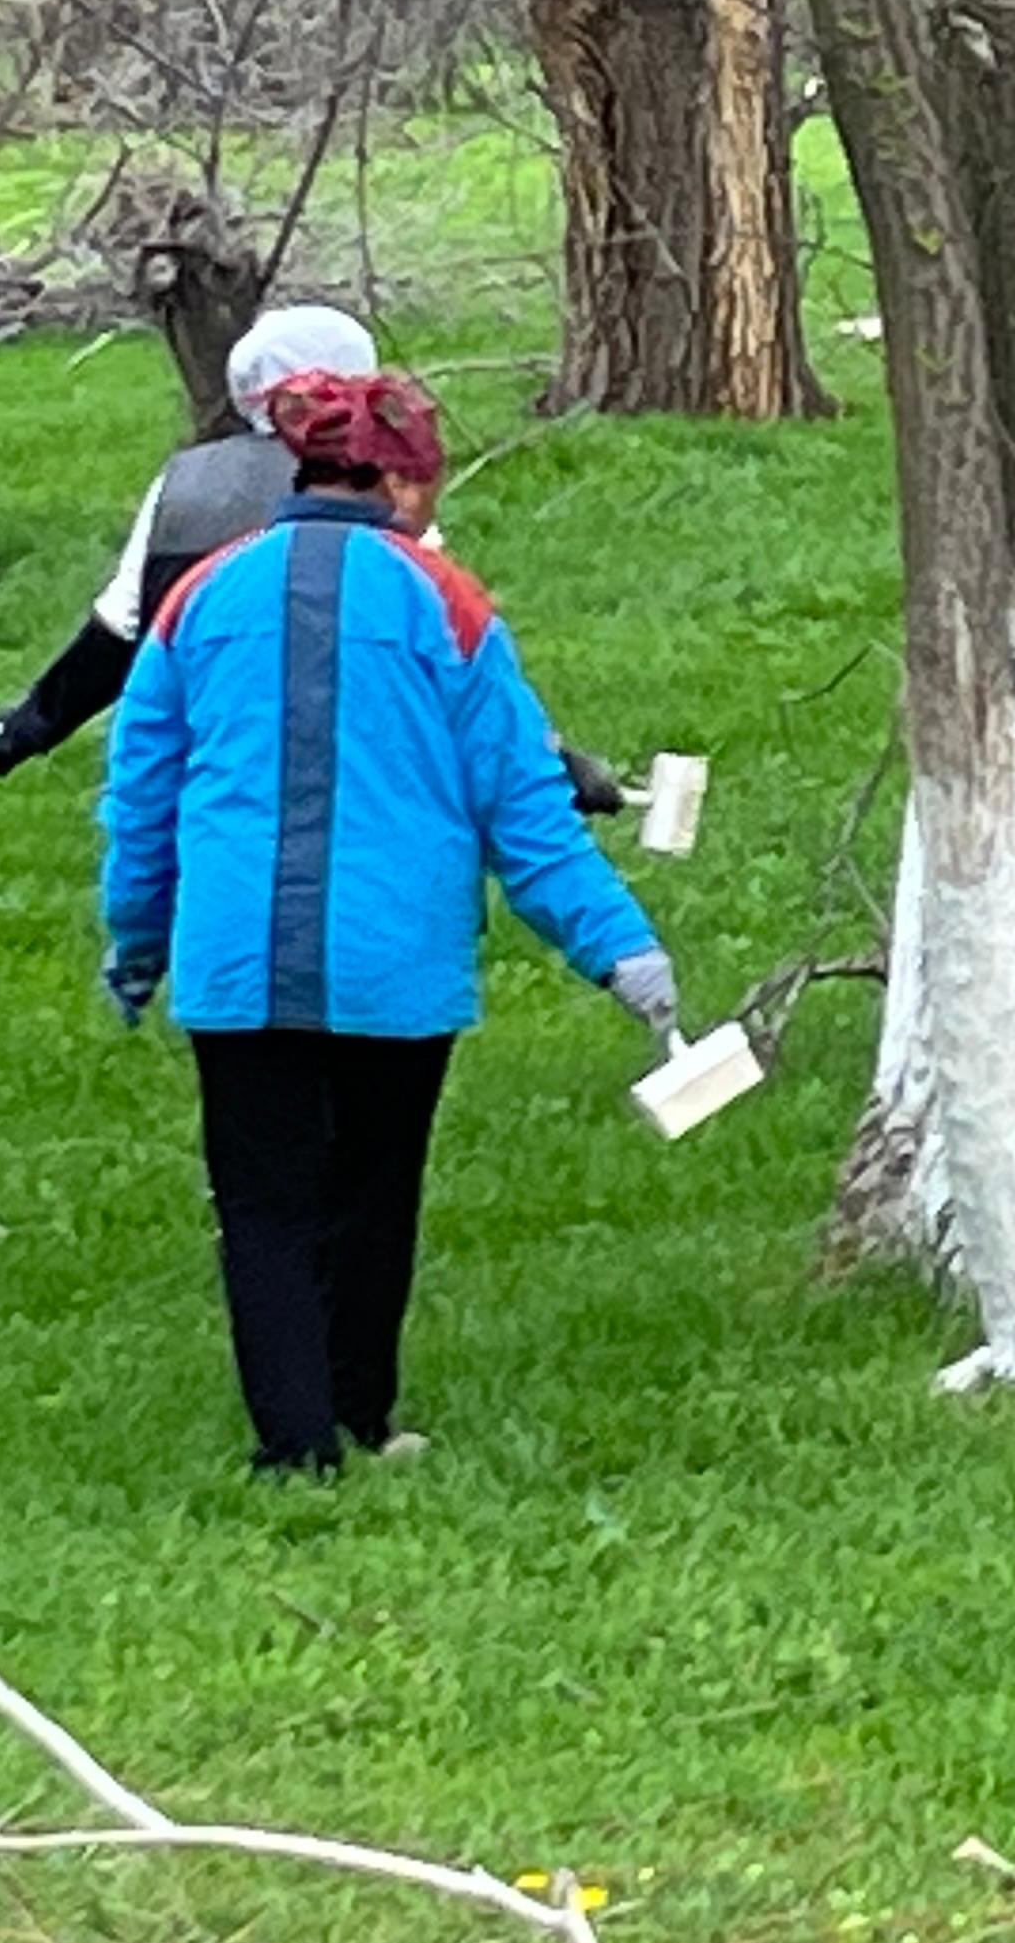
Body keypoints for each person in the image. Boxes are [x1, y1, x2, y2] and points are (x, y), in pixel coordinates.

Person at [98, 370, 678, 1474]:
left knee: (263, 1207)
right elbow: (524, 806)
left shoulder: (203, 596)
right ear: (402, 482)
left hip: (235, 961)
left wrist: (135, 935)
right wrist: (620, 948)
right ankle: (363, 1413)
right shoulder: (448, 606)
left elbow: (143, 793)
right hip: (393, 967)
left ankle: (294, 1448)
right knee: (373, 1193)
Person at [0, 304, 628, 815]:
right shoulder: (368, 481)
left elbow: (117, 634)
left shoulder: (185, 480)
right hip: (351, 761)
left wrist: (22, 730)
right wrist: (554, 766)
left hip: (209, 752)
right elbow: (451, 644)